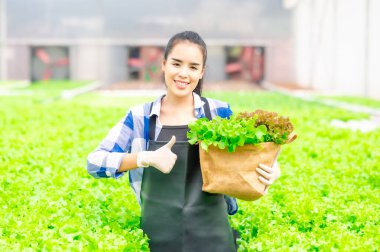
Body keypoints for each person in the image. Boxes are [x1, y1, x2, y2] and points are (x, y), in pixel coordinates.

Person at [87, 31, 281, 252]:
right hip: (158, 238)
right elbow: (95, 163)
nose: (183, 73)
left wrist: (271, 167)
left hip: (213, 237)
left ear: (201, 72)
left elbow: (250, 153)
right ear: (163, 64)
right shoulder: (140, 117)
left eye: (193, 67)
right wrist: (144, 158)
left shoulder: (218, 112)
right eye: (176, 64)